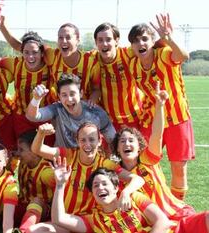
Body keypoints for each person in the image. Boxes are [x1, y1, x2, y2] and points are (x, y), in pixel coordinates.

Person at [114, 83, 209, 232]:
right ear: (117, 150)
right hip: (154, 225)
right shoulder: (117, 174)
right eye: (122, 141)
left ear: (139, 146)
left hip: (177, 214)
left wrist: (159, 107)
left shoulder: (147, 159)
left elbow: (157, 135)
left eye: (131, 140)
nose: (127, 144)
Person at [28, 122, 145, 232]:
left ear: (100, 141)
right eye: (83, 140)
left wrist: (126, 192)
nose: (87, 144)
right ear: (77, 142)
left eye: (92, 139)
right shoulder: (69, 155)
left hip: (86, 222)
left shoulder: (106, 164)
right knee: (34, 229)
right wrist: (41, 134)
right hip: (63, 217)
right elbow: (37, 149)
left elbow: (138, 179)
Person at [128, 13, 194, 200]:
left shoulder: (163, 54)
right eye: (135, 41)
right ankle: (147, 203)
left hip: (177, 118)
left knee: (178, 167)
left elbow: (183, 56)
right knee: (142, 161)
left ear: (152, 41)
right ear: (132, 46)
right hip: (152, 117)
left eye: (144, 39)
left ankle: (179, 208)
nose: (140, 44)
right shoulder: (134, 65)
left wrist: (168, 39)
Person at [0, 16, 98, 101]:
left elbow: (97, 89)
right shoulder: (53, 56)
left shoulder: (90, 60)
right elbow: (23, 46)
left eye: (68, 37)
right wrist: (2, 26)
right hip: (58, 110)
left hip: (82, 110)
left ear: (78, 40)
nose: (64, 41)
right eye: (60, 37)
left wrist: (90, 103)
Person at [51, 165, 172, 233]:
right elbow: (59, 218)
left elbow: (163, 222)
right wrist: (60, 184)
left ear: (115, 188)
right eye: (96, 186)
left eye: (104, 183)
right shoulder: (94, 220)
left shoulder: (134, 198)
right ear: (93, 194)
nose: (100, 188)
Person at [26, 73, 116, 149]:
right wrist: (36, 99)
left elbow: (114, 141)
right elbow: (32, 116)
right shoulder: (57, 109)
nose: (69, 99)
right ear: (59, 96)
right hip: (63, 162)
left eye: (72, 94)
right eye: (64, 95)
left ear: (81, 93)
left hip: (87, 161)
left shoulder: (97, 114)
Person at [0, 29, 53, 138]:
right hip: (21, 117)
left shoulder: (50, 64)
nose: (30, 57)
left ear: (42, 53)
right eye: (26, 52)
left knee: (44, 152)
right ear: (22, 52)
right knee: (24, 152)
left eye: (35, 52)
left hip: (44, 117)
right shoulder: (15, 64)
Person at [89, 22, 143, 131]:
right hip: (109, 121)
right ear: (96, 42)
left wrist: (166, 38)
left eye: (108, 39)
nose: (104, 44)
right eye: (100, 40)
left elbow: (151, 46)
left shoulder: (128, 53)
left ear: (116, 40)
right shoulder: (92, 59)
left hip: (135, 117)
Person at [15, 130, 56, 232]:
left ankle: (23, 231)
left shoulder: (46, 172)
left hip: (42, 212)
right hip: (23, 205)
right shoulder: (23, 163)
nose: (18, 153)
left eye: (21, 150)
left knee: (37, 201)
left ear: (35, 151)